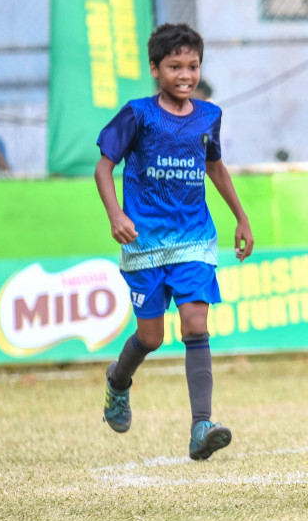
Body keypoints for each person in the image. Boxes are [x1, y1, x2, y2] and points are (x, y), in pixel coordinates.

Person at [95, 24, 254, 460]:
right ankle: (118, 381)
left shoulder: (208, 116)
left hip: (194, 240)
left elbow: (215, 168)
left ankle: (201, 425)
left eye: (192, 66)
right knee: (150, 337)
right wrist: (116, 215)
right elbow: (103, 168)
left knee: (196, 326)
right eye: (174, 66)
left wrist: (241, 217)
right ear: (155, 69)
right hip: (145, 242)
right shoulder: (138, 114)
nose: (185, 74)